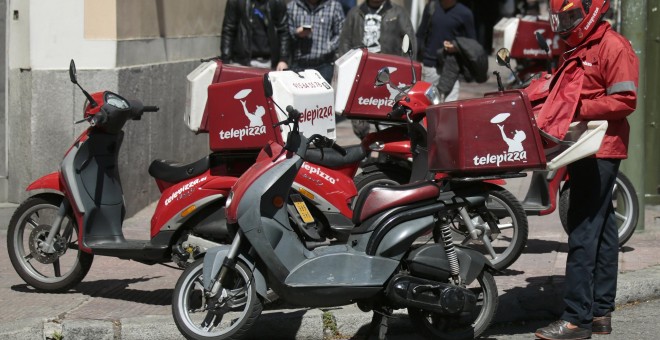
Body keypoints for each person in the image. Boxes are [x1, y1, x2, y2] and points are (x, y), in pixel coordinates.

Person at [532, 0, 639, 339]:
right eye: (561, 17)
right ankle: (601, 314)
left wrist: (577, 108)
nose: (565, 23)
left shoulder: (613, 46)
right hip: (582, 145)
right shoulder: (578, 45)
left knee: (583, 231)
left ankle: (576, 318)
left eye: (570, 16)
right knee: (604, 229)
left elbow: (625, 101)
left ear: (590, 11)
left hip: (600, 148)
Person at [337, 0, 416, 139]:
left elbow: (409, 40)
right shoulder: (355, 13)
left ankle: (386, 149)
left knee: (388, 111)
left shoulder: (397, 12)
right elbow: (345, 41)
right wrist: (347, 66)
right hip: (361, 70)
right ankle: (365, 145)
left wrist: (404, 67)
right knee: (359, 114)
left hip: (388, 70)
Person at [416, 0, 475, 102]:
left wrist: (456, 47)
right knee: (426, 107)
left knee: (448, 109)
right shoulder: (431, 7)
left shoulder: (465, 13)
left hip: (451, 68)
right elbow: (420, 35)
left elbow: (472, 44)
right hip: (429, 68)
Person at [220, 0, 290, 71]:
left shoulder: (277, 2)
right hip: (241, 62)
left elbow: (283, 30)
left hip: (268, 62)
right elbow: (228, 29)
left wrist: (283, 59)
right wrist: (226, 61)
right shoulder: (236, 2)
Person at [287, 0, 345, 83]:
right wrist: (297, 34)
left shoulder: (334, 6)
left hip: (324, 65)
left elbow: (340, 33)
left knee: (322, 95)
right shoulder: (292, 6)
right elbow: (285, 34)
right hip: (299, 65)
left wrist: (327, 47)